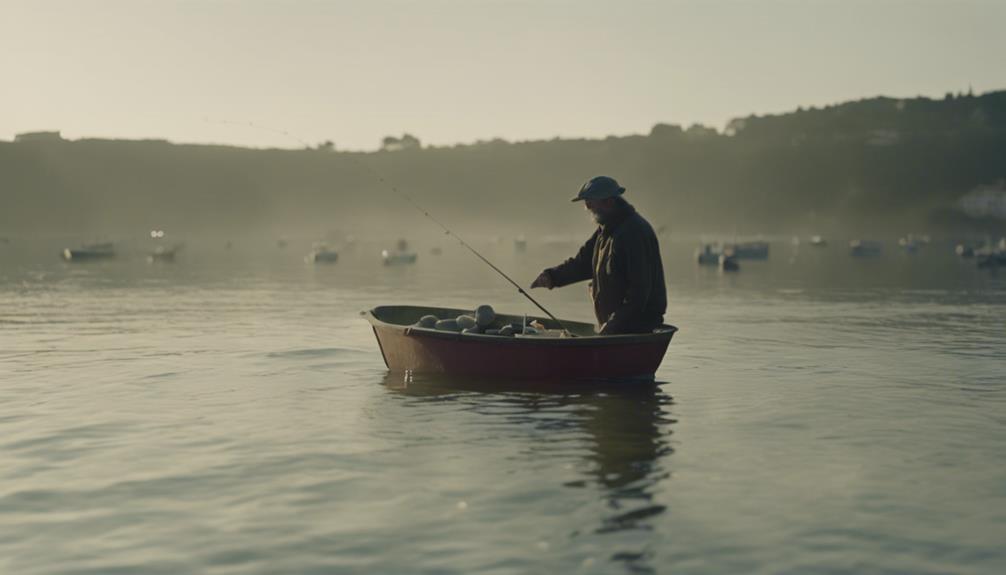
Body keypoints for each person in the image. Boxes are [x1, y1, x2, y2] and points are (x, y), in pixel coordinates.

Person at [530, 176, 667, 335]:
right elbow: (583, 263)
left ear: (608, 202)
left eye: (590, 202)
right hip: (615, 329)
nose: (587, 207)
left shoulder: (633, 232)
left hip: (636, 329)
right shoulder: (606, 230)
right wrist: (552, 277)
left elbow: (639, 292)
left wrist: (613, 325)